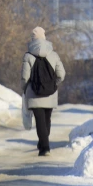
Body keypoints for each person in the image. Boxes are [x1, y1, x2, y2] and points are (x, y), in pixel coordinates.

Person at [21, 26, 66, 156]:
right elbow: (61, 74)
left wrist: (25, 88)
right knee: (47, 120)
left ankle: (44, 147)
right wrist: (53, 84)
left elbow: (25, 77)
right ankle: (43, 143)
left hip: (34, 94)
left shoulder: (28, 56)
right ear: (45, 38)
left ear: (32, 39)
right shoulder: (53, 54)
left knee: (39, 121)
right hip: (50, 93)